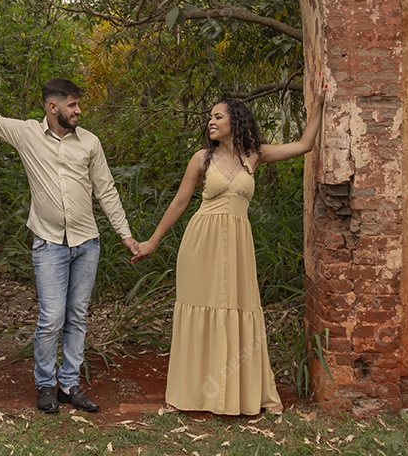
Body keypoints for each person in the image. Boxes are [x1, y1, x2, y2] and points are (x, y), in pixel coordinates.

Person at [0, 54, 141, 414]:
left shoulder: (90, 143)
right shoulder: (27, 134)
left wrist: (125, 234)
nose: (79, 111)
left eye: (79, 104)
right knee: (51, 317)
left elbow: (106, 190)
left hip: (87, 243)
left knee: (77, 315)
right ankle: (45, 385)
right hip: (48, 244)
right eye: (73, 105)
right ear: (53, 107)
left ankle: (69, 385)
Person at [131, 81, 326, 415]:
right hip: (201, 242)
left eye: (218, 116)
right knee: (199, 309)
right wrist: (151, 242)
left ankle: (241, 394)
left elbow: (306, 145)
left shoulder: (255, 154)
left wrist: (319, 103)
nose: (211, 121)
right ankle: (190, 394)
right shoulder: (200, 159)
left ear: (235, 121)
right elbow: (179, 203)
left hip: (237, 243)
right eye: (209, 117)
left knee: (240, 309)